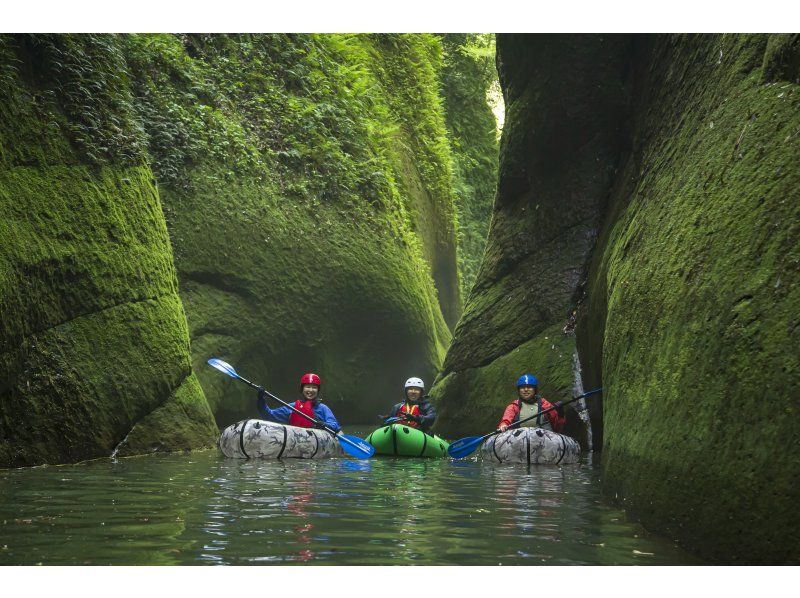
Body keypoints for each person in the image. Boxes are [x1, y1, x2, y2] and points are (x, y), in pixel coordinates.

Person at [257, 373, 341, 433]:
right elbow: (269, 415)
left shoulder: (323, 408)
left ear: (318, 390)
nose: (310, 390)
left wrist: (325, 425)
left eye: (314, 388)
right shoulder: (292, 407)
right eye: (307, 387)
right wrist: (261, 399)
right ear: (302, 389)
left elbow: (334, 425)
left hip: (319, 441)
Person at [497, 374, 565, 433]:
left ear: (535, 390)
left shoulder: (544, 404)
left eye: (529, 387)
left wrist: (560, 415)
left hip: (543, 441)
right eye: (523, 387)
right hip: (520, 441)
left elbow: (557, 428)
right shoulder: (513, 406)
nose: (526, 390)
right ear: (519, 390)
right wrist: (503, 425)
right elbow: (506, 419)